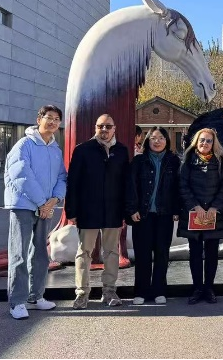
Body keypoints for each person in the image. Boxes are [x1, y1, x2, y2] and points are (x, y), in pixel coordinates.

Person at [4, 105, 67, 320]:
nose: (53, 122)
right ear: (39, 119)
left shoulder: (55, 150)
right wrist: (43, 203)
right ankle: (17, 301)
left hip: (45, 209)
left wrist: (54, 200)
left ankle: (36, 296)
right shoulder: (24, 145)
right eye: (49, 118)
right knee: (19, 254)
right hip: (24, 206)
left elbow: (62, 178)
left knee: (40, 253)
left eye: (57, 119)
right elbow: (21, 175)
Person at [65, 114, 130, 310]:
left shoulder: (121, 151)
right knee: (84, 252)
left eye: (108, 126)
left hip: (113, 210)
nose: (104, 130)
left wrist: (126, 211)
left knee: (111, 252)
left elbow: (126, 183)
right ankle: (82, 293)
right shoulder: (83, 150)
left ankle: (109, 290)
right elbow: (73, 183)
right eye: (100, 126)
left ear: (114, 128)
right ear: (95, 128)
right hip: (88, 210)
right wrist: (72, 211)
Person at [126, 127, 180, 305]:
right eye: (153, 138)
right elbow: (131, 187)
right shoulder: (139, 161)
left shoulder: (173, 161)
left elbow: (178, 188)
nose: (157, 141)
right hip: (143, 215)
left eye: (161, 138)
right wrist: (132, 209)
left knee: (162, 254)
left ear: (167, 140)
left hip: (164, 215)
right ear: (147, 141)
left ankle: (159, 290)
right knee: (142, 255)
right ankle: (141, 292)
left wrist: (177, 210)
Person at [178, 128, 223, 305]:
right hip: (193, 214)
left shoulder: (221, 161)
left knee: (212, 253)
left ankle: (209, 288)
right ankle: (197, 288)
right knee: (195, 253)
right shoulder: (188, 160)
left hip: (213, 215)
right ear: (196, 142)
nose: (204, 143)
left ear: (214, 143)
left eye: (208, 141)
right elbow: (183, 186)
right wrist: (195, 206)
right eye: (202, 140)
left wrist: (215, 207)